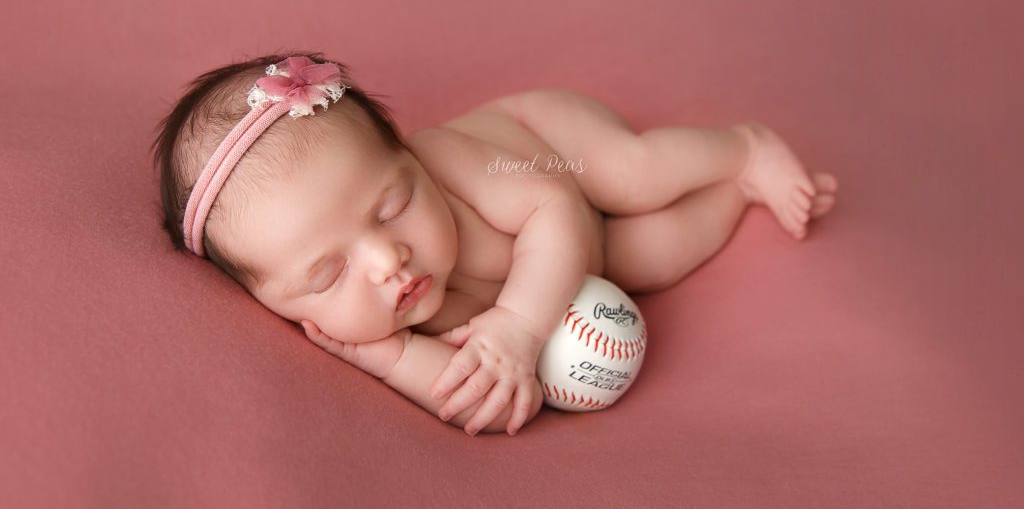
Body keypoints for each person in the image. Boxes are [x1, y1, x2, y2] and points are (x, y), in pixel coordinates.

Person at [151, 52, 839, 437]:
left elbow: (554, 207)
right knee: (653, 257)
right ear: (277, 302)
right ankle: (740, 187)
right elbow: (478, 394)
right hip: (582, 270)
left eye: (393, 204)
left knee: (632, 177)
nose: (388, 260)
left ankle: (741, 145)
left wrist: (517, 325)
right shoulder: (365, 330)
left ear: (408, 157)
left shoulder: (444, 158)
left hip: (551, 157)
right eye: (329, 272)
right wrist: (390, 360)